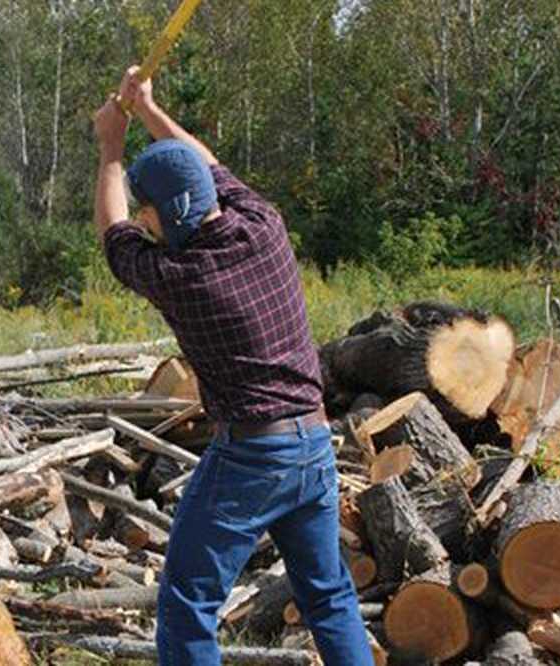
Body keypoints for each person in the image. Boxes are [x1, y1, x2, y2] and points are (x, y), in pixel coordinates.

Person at [91, 67, 375, 666]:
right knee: (328, 597)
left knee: (188, 601)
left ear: (169, 213)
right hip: (315, 444)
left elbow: (114, 235)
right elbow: (206, 164)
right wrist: (148, 108)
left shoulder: (183, 278)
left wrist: (111, 147)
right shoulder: (263, 224)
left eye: (151, 211)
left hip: (253, 456)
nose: (144, 219)